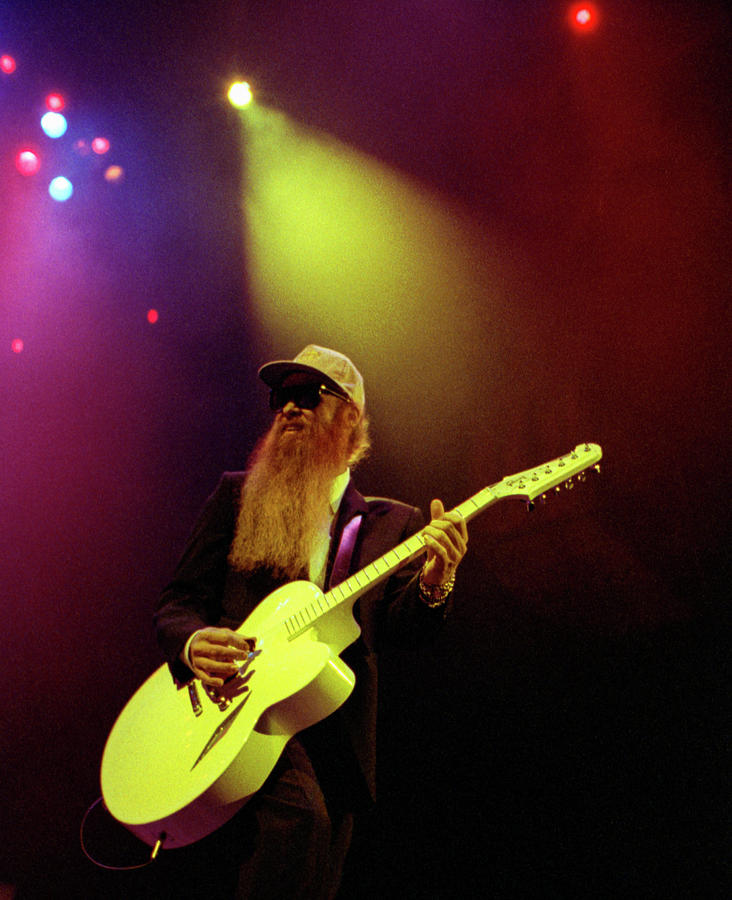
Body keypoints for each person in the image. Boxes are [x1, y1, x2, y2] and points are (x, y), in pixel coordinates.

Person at [153, 345, 469, 899]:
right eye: (281, 398)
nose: (288, 410)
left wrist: (436, 579)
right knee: (300, 823)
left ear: (350, 419)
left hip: (336, 743)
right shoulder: (236, 494)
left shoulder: (393, 525)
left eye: (307, 396)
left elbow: (404, 629)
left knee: (318, 871)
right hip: (241, 712)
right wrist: (193, 642)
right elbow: (178, 601)